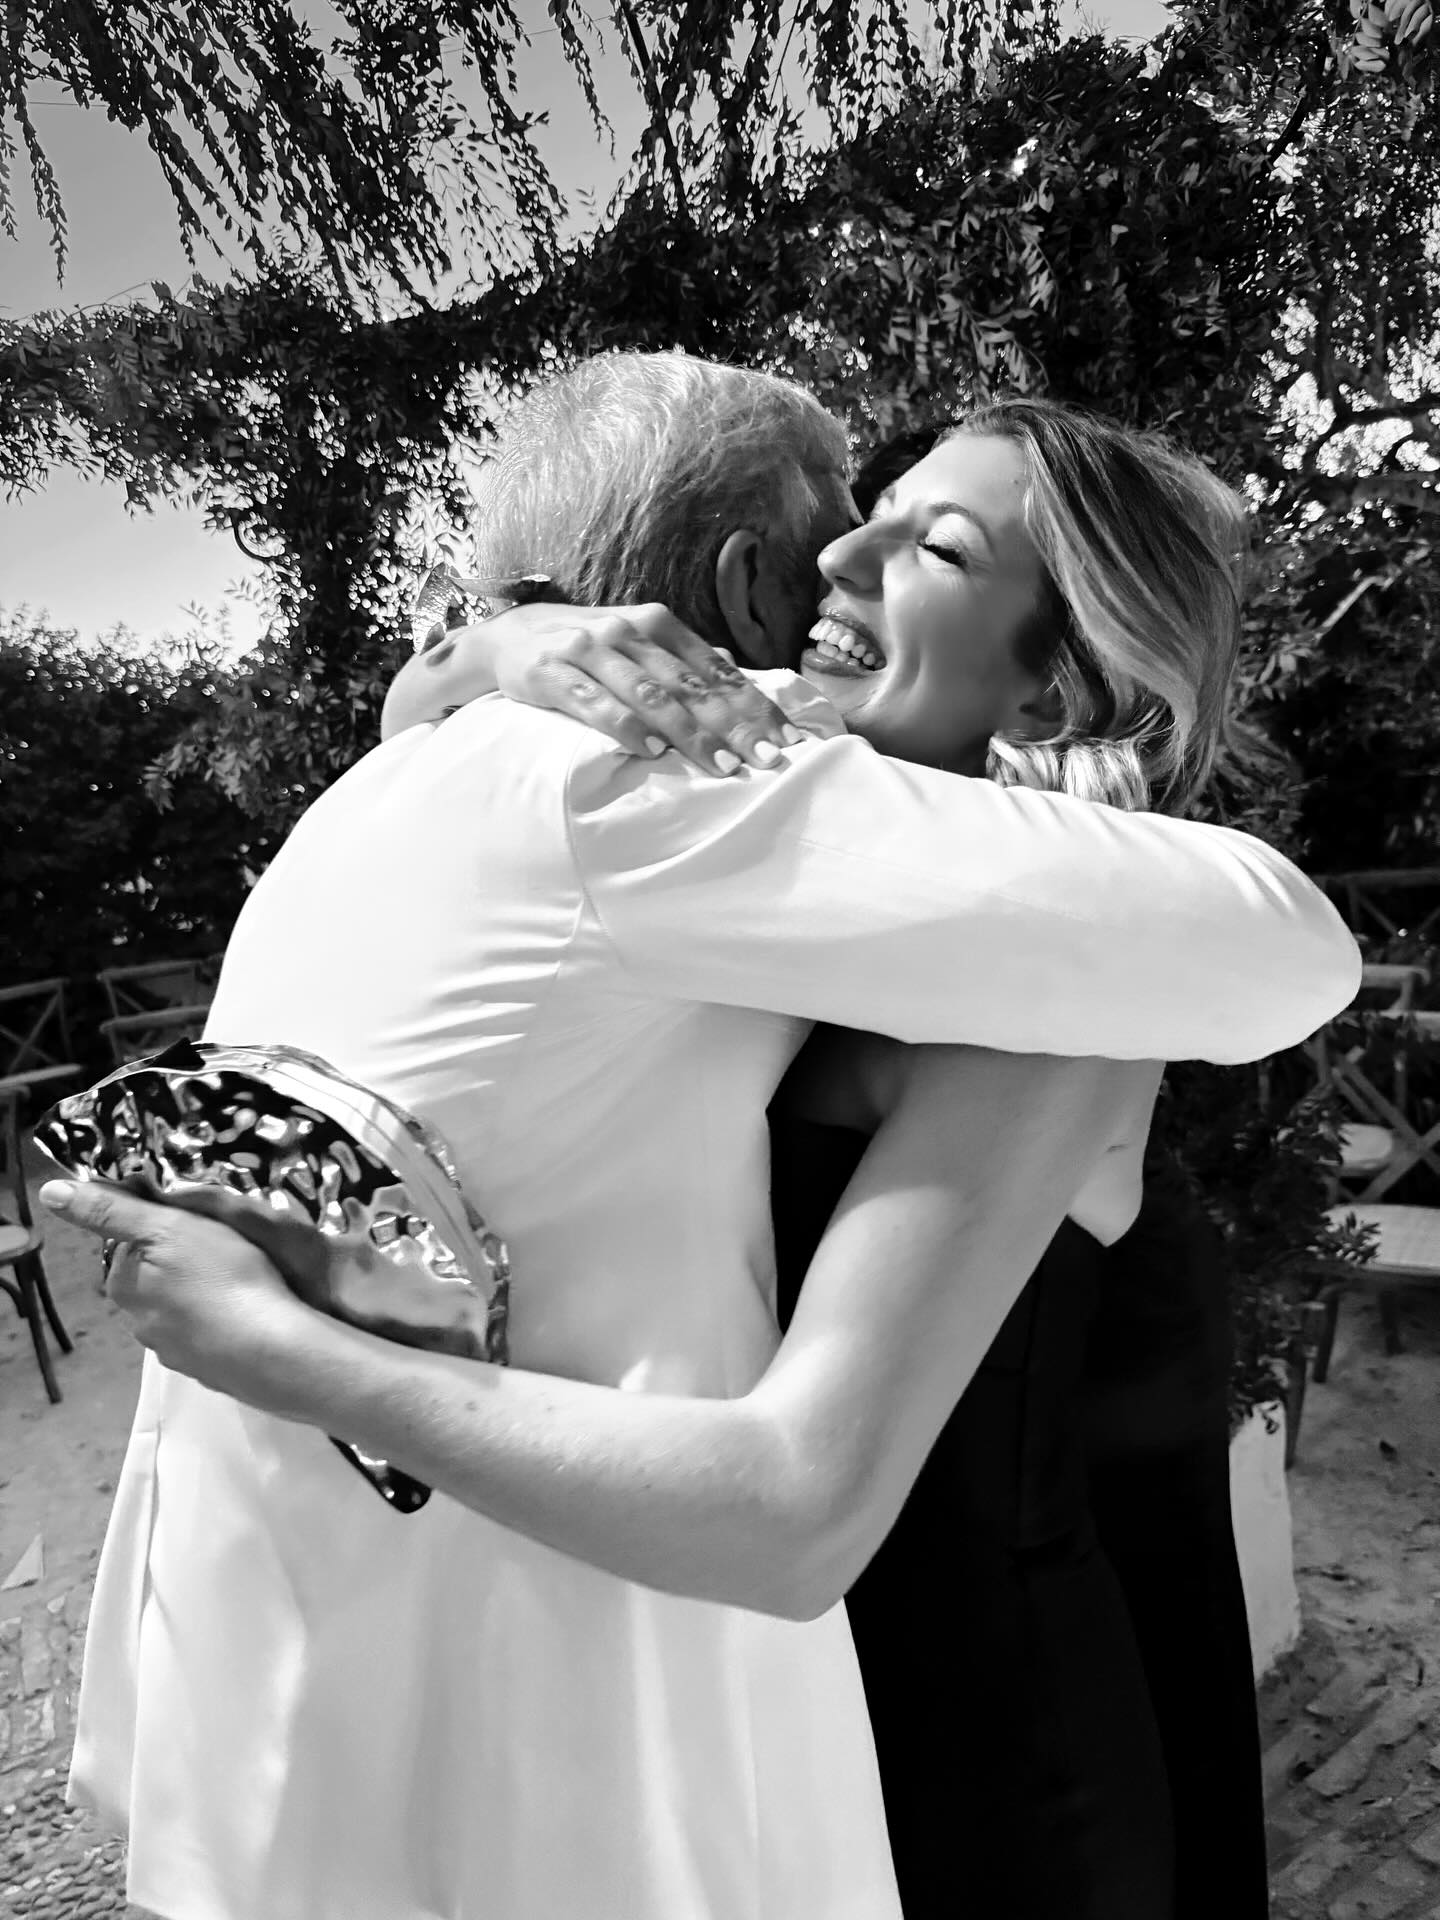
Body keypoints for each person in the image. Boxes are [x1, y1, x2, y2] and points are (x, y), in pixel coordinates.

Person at [50, 355, 1358, 1920]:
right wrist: (485, 647)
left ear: (1054, 691)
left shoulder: (1063, 1001)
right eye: (865, 516)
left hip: (982, 1742)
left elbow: (1284, 947)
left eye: (936, 547)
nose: (844, 558)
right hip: (786, 1704)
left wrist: (274, 1347)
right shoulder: (767, 910)